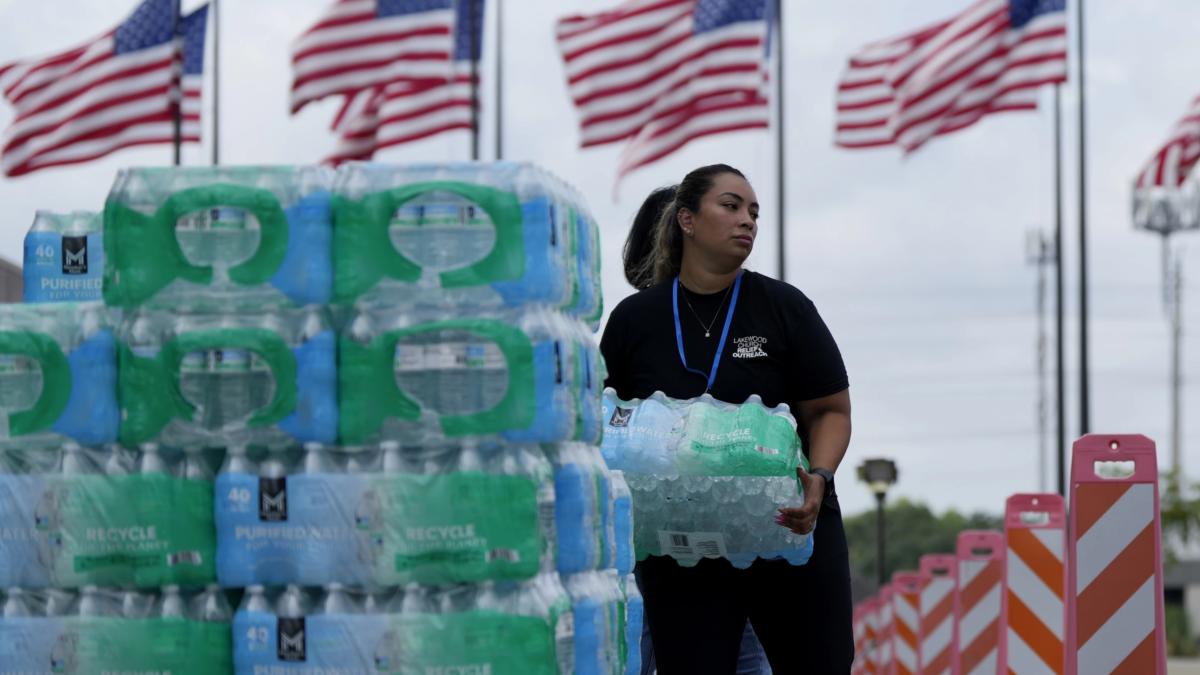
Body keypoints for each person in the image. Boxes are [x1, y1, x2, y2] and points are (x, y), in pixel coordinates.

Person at [601, 165, 854, 674]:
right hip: (682, 546)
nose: (748, 221)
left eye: (754, 212)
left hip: (790, 532)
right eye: (732, 206)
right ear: (687, 220)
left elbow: (830, 410)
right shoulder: (635, 319)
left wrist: (820, 480)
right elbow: (603, 422)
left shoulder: (785, 307)